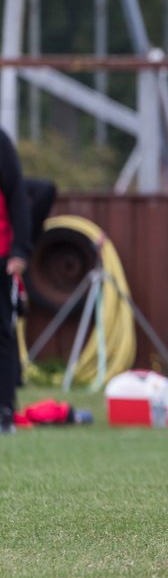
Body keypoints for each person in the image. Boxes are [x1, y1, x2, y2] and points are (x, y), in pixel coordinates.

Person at [0, 130, 31, 436]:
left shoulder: (1, 142)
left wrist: (20, 249)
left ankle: (4, 410)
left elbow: (17, 198)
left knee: (3, 332)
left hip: (1, 255)